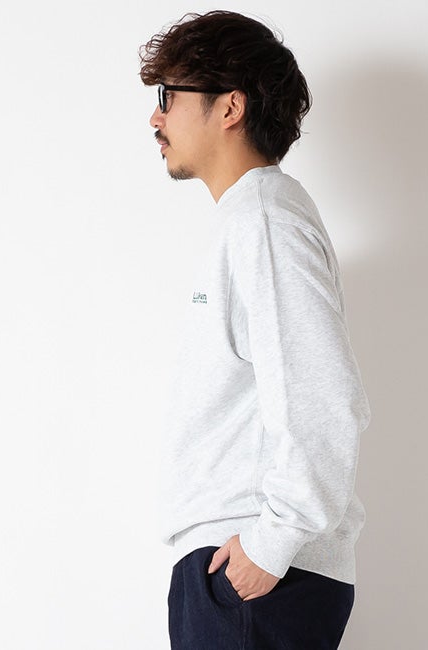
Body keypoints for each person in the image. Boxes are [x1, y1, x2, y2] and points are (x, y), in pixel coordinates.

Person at [139, 10, 371, 649]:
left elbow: (324, 395)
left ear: (230, 107)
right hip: (243, 567)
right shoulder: (251, 220)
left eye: (169, 96)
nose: (155, 118)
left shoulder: (264, 222)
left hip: (256, 570)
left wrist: (272, 544)